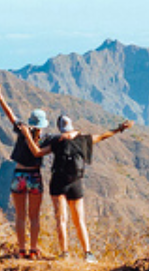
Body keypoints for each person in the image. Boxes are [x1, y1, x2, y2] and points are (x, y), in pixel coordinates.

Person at [44, 112, 131, 262]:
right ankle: (88, 253)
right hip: (76, 183)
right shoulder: (84, 140)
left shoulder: (56, 141)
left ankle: (64, 253)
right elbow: (104, 136)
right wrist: (119, 128)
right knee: (79, 220)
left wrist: (27, 136)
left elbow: (38, 152)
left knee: (61, 219)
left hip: (58, 183)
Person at [0, 82, 51, 259]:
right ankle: (33, 249)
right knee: (34, 217)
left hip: (19, 176)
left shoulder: (22, 129)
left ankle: (21, 249)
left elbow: (10, 114)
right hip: (35, 176)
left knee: (20, 216)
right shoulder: (46, 139)